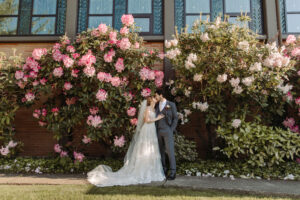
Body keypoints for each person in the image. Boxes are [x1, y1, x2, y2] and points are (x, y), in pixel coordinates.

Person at [87, 96, 166, 187]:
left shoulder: (153, 109)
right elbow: (146, 120)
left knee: (151, 149)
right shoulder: (147, 109)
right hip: (147, 129)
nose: (156, 99)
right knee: (144, 147)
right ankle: (142, 171)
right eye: (154, 98)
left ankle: (151, 171)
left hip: (152, 130)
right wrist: (158, 118)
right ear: (151, 100)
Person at [155, 88, 178, 180]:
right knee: (160, 152)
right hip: (158, 131)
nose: (155, 97)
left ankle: (173, 172)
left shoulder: (171, 104)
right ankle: (163, 170)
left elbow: (175, 118)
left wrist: (171, 129)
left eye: (156, 95)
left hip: (167, 130)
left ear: (161, 95)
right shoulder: (156, 106)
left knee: (170, 151)